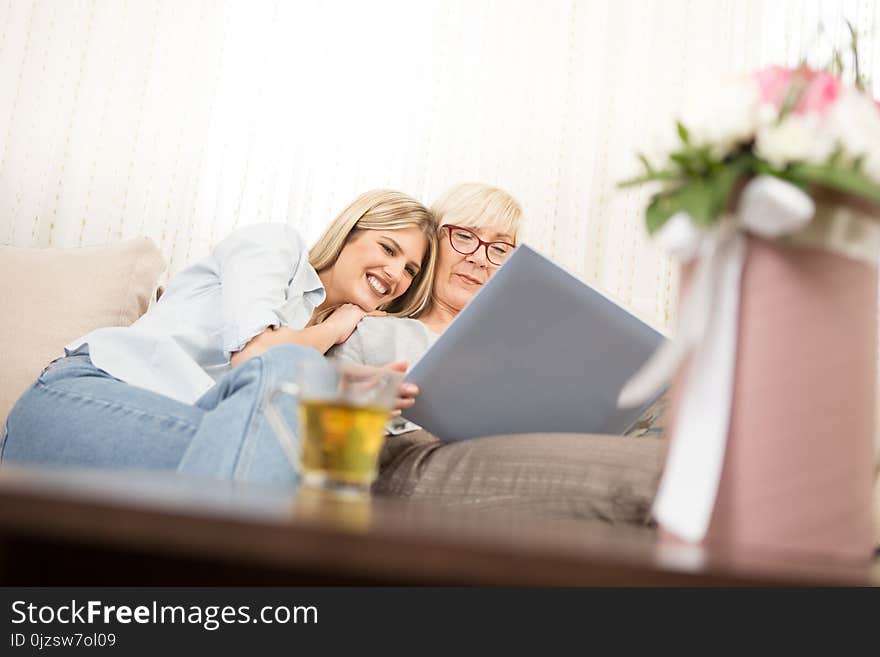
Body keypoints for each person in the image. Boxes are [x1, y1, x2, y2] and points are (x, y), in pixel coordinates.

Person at [1, 190, 437, 486]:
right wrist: (335, 327)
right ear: (350, 233)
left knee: (311, 462)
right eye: (388, 249)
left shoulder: (332, 348)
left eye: (411, 271)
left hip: (194, 426)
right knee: (286, 450)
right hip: (84, 398)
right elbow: (256, 357)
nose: (397, 274)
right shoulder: (277, 247)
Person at [330, 183, 665, 526]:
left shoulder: (525, 352)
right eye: (464, 237)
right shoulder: (371, 328)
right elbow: (315, 420)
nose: (478, 257)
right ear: (432, 244)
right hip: (406, 458)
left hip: (514, 459)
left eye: (500, 248)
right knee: (663, 476)